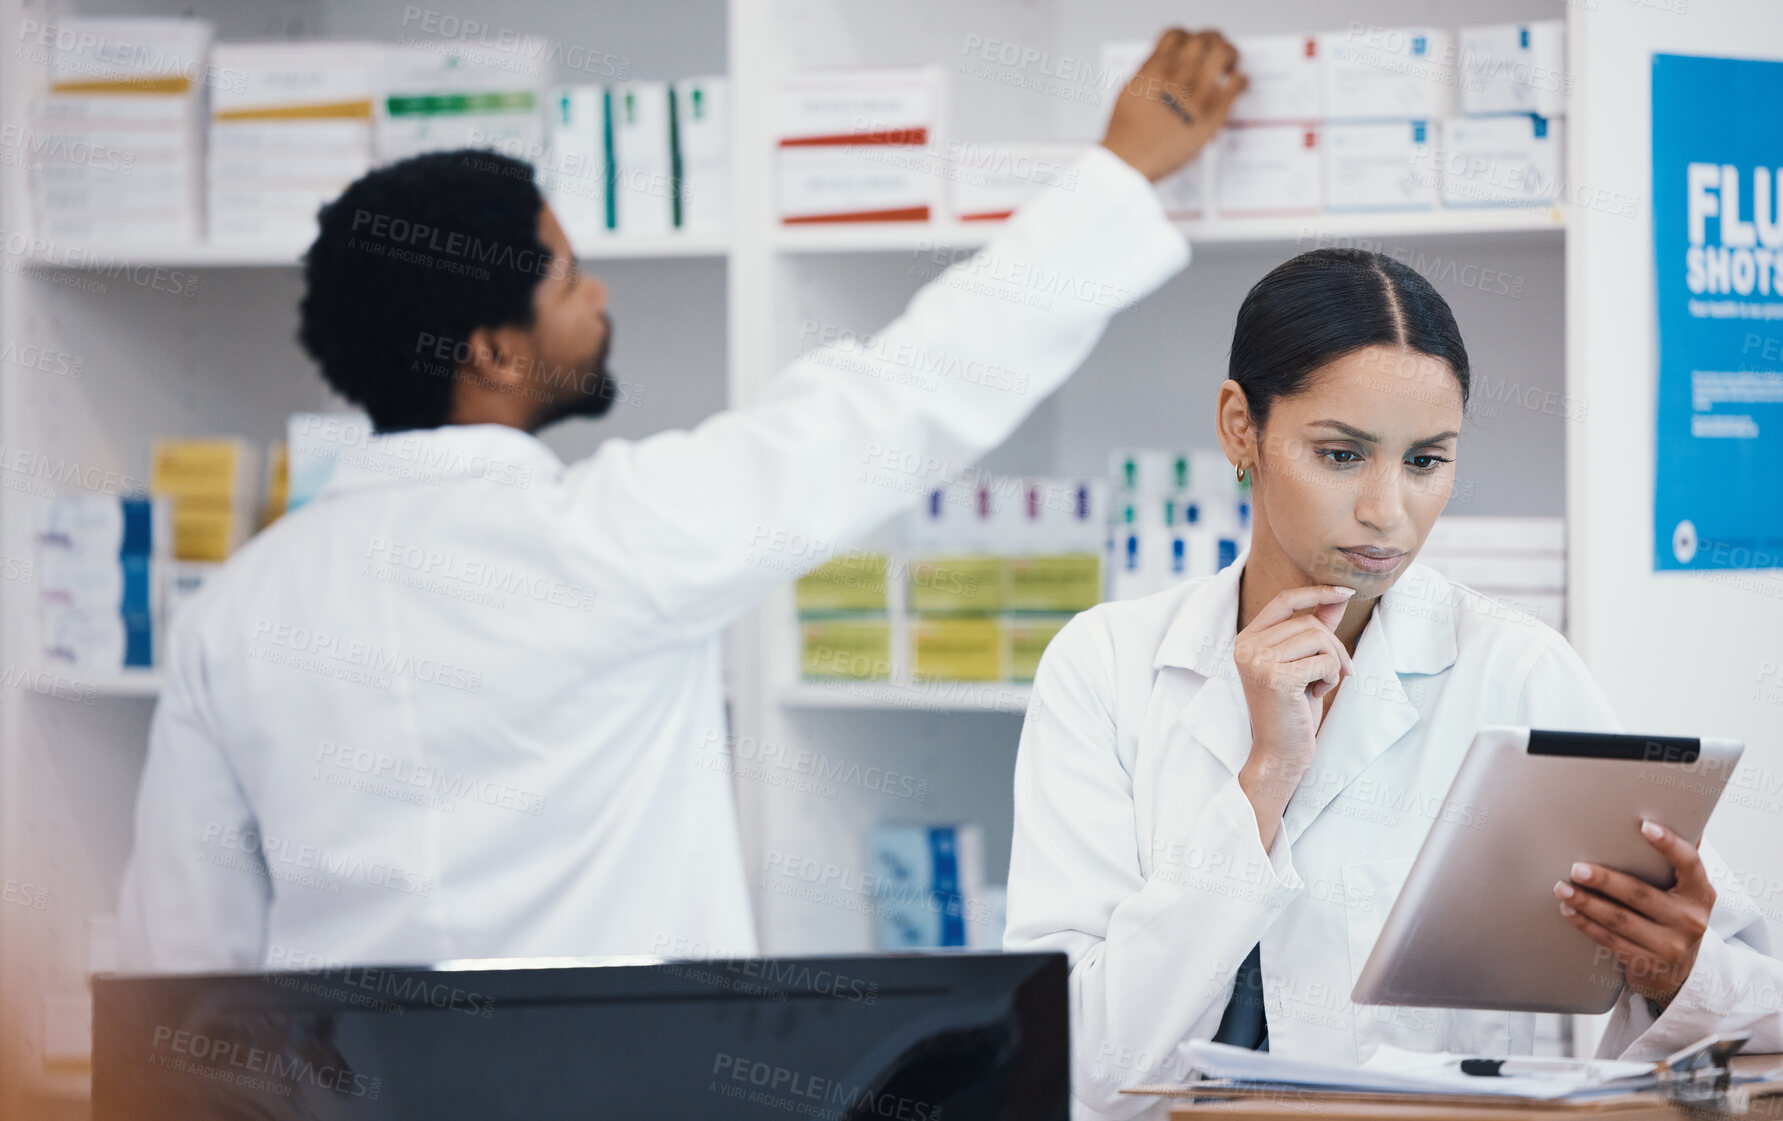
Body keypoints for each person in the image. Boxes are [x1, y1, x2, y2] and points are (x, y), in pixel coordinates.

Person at [117, 30, 1250, 972]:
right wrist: (1115, 172)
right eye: (565, 278)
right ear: (491, 352)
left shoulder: (235, 608)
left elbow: (179, 962)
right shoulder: (611, 541)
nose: (597, 292)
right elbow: (901, 396)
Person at [1003, 248, 1783, 1120]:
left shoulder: (1510, 669)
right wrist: (1263, 777)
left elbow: (1755, 1006)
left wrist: (1679, 970)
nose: (1386, 509)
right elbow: (1076, 1071)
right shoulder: (1104, 666)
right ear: (1238, 426)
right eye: (1340, 454)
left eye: (1424, 461)